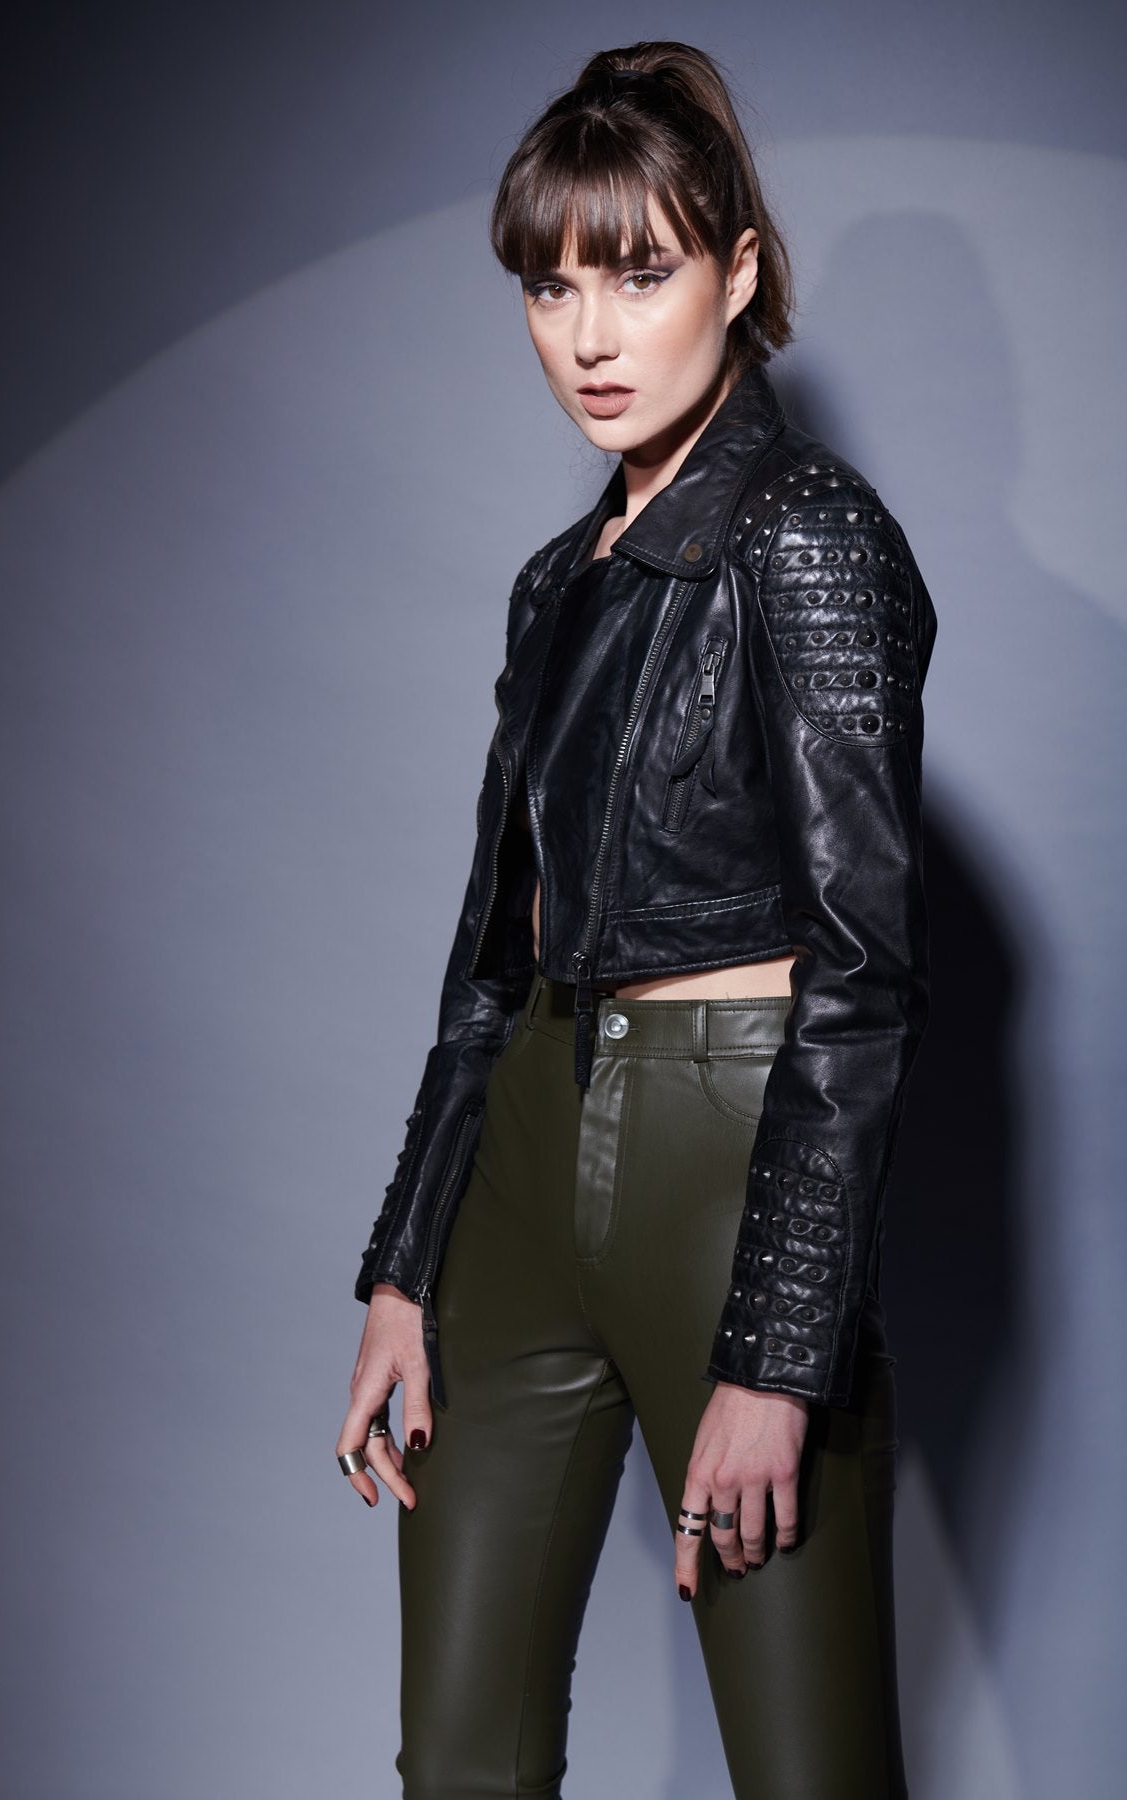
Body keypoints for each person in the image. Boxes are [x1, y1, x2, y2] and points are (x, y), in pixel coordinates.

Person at [336, 38, 936, 1800]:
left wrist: (783, 1350)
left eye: (641, 274)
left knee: (810, 1771)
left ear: (739, 273)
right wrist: (405, 1262)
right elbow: (488, 962)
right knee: (459, 1762)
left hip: (729, 1169)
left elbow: (864, 974)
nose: (590, 337)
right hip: (520, 1169)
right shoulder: (556, 582)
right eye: (550, 286)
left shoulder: (813, 535)